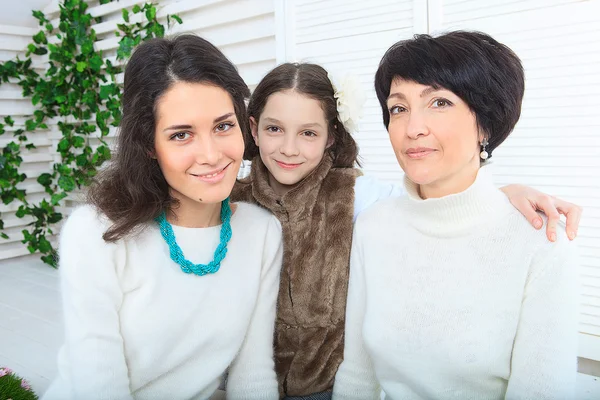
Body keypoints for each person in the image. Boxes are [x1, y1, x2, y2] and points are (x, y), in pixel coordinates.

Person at [231, 61, 582, 399]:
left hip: (323, 386)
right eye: (274, 128)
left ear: (330, 137)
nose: (289, 148)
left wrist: (504, 196)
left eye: (308, 132)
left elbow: (436, 206)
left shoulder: (360, 198)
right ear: (253, 128)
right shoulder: (229, 204)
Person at [333, 31, 579, 399]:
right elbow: (357, 374)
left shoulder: (539, 243)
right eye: (399, 108)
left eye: (440, 103)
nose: (413, 128)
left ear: (486, 125)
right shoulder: (373, 226)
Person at [43, 35, 282, 400]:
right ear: (149, 145)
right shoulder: (96, 233)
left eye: (222, 126)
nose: (211, 155)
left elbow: (253, 377)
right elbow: (99, 386)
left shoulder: (261, 232)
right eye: (182, 135)